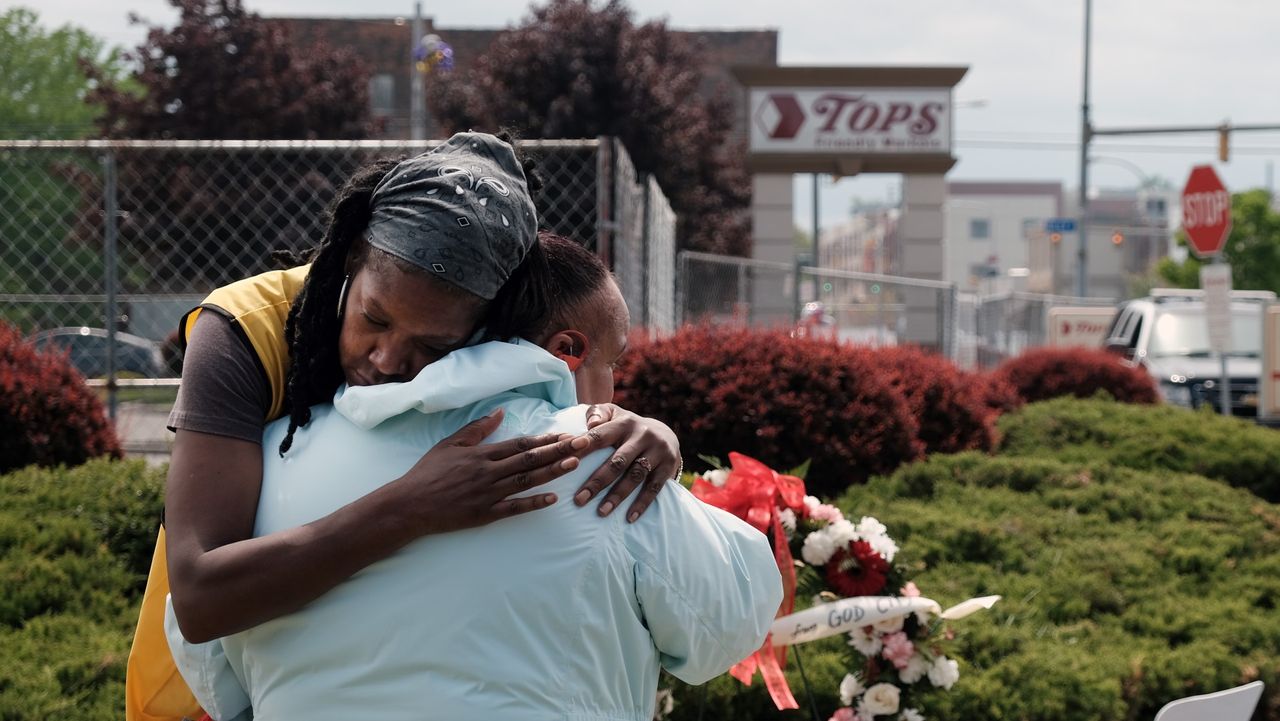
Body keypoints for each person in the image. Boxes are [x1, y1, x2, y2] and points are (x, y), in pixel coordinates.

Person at [127, 132, 683, 721]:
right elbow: (200, 597)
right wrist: (410, 507)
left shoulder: (485, 341)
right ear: (350, 258)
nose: (388, 361)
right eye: (373, 318)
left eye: (432, 344)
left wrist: (635, 428)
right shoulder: (242, 331)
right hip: (198, 700)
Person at [166, 233, 782, 720]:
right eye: (612, 362)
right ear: (566, 349)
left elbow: (209, 666)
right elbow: (729, 626)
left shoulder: (274, 452)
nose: (385, 357)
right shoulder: (605, 464)